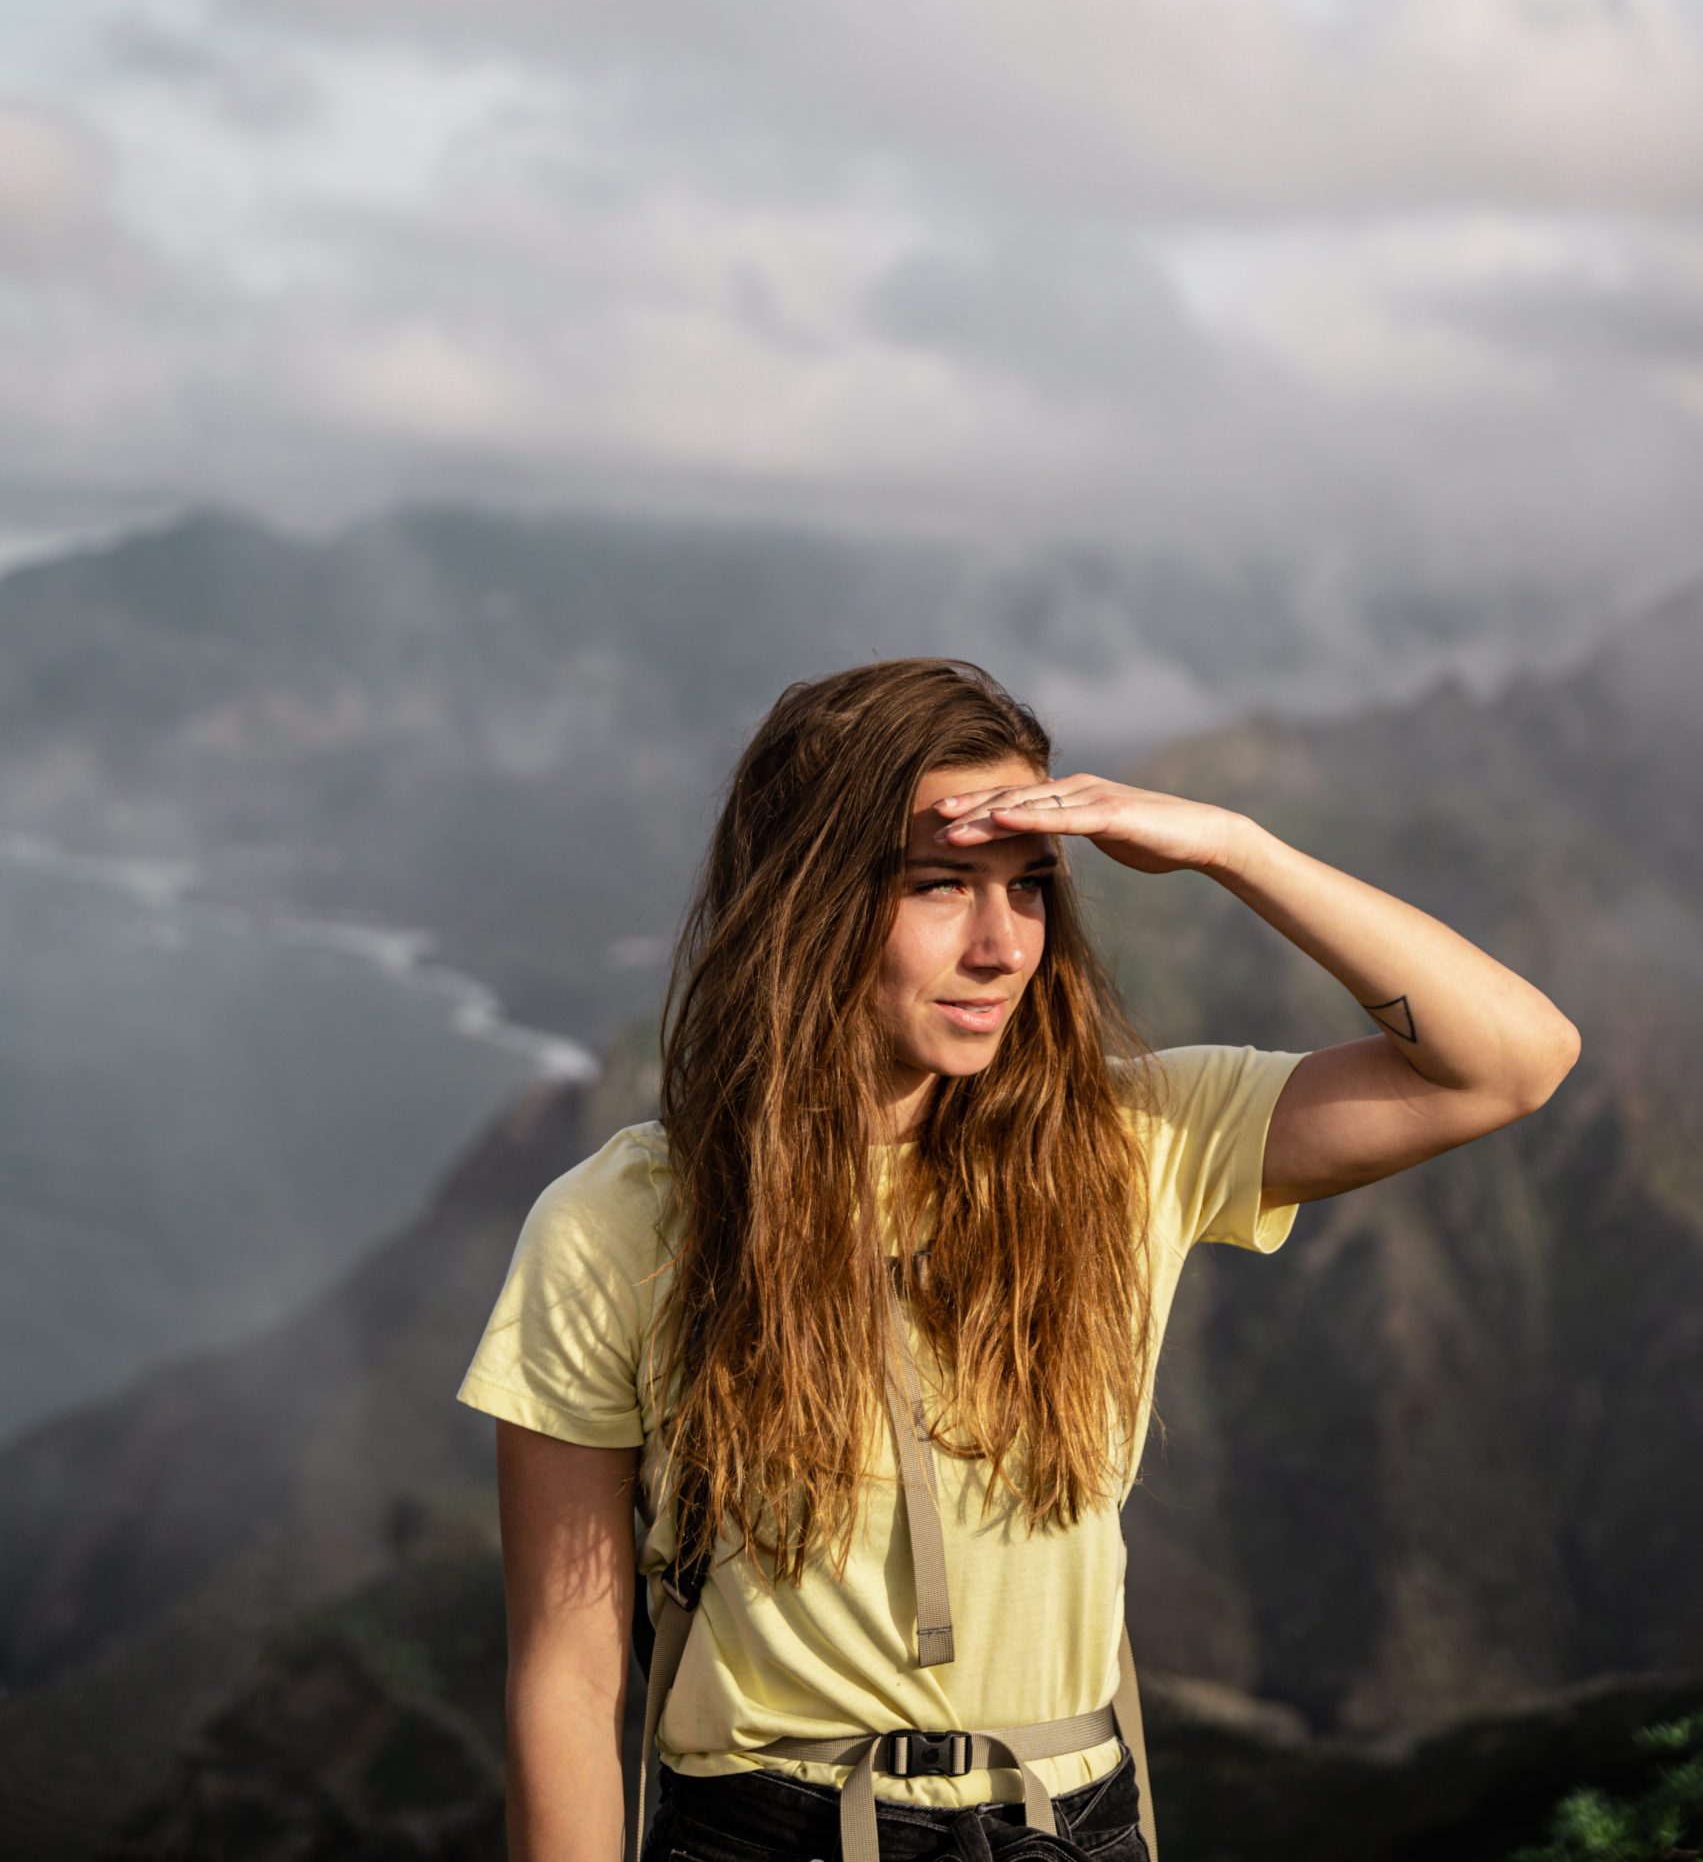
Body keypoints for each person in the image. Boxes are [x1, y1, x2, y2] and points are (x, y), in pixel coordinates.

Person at [457, 656, 1580, 1862]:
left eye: (1029, 887)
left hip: (1070, 1828)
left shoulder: (1134, 1146)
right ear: (804, 903)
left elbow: (1509, 1060)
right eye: (941, 884)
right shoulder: (625, 1217)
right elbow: (568, 1683)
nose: (1001, 945)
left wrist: (1230, 847)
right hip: (760, 1830)